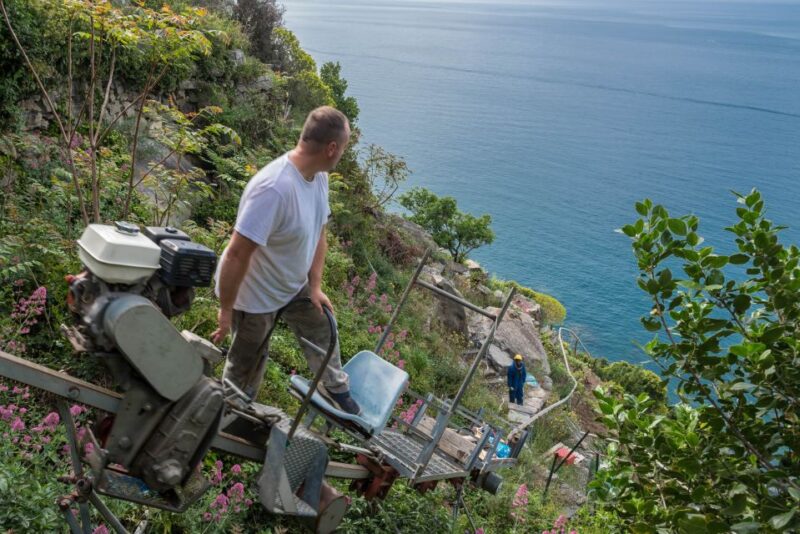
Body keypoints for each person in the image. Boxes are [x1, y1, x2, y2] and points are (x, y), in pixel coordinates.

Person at [211, 106, 361, 415]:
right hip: (254, 297)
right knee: (246, 368)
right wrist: (226, 310)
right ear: (332, 148)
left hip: (293, 285)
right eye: (344, 148)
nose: (343, 155)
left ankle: (333, 386)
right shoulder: (275, 188)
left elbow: (320, 232)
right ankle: (230, 415)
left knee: (322, 326)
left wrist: (315, 285)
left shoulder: (318, 177)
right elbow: (237, 254)